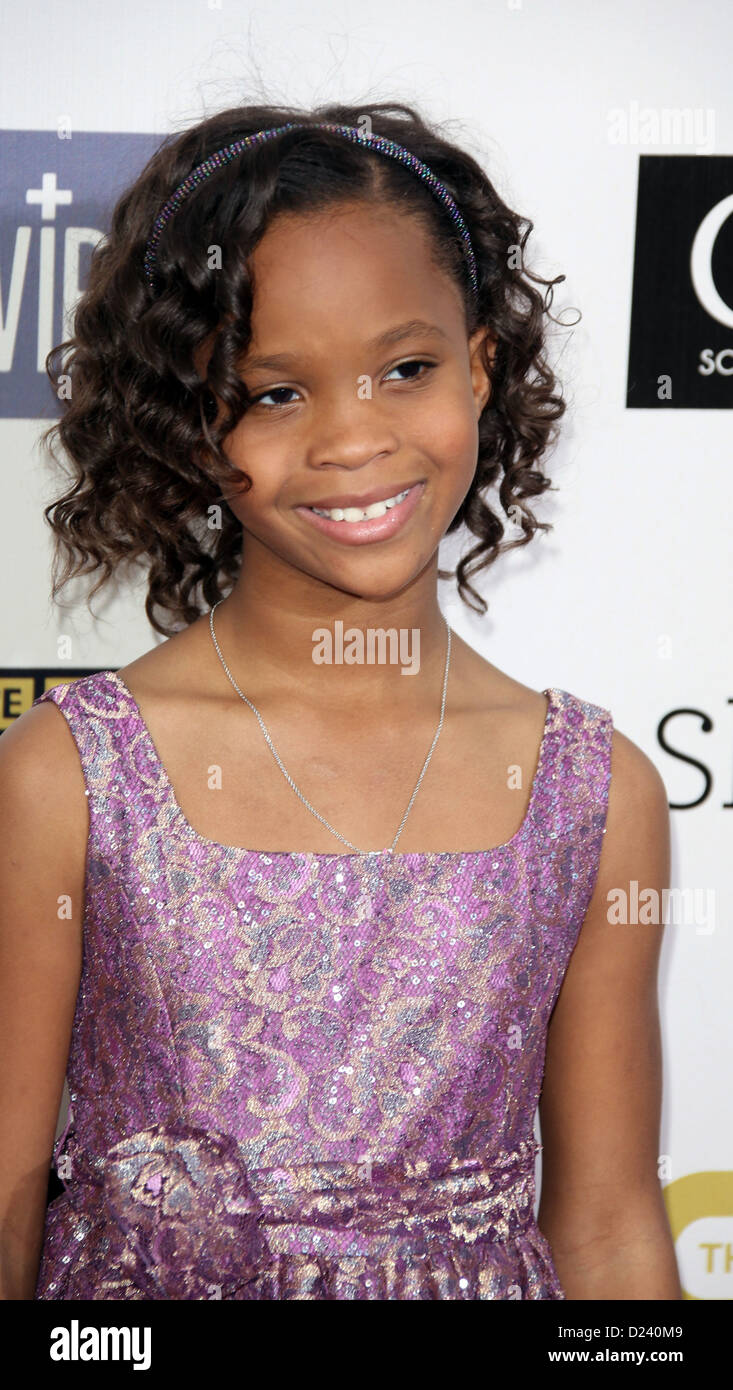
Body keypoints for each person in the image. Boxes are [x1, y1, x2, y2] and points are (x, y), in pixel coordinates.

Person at [0, 101, 681, 1300]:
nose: (352, 438)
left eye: (405, 368)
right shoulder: (70, 774)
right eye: (273, 392)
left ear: (477, 367)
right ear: (189, 419)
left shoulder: (594, 791)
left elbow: (614, 1233)